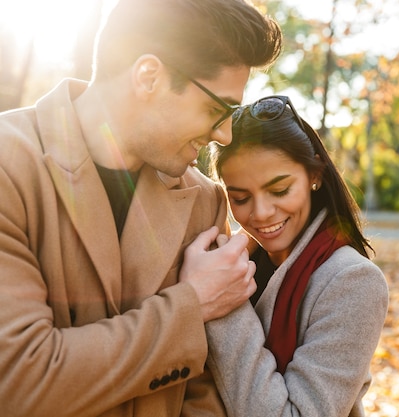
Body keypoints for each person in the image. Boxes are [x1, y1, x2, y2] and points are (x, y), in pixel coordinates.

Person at [0, 1, 282, 416]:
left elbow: (206, 392)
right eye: (216, 109)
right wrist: (191, 305)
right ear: (148, 76)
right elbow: (21, 379)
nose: (224, 134)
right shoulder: (10, 166)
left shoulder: (205, 202)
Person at [203, 95, 389, 416]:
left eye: (279, 190)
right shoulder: (231, 259)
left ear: (314, 175)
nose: (261, 213)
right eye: (241, 197)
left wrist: (222, 300)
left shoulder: (353, 281)